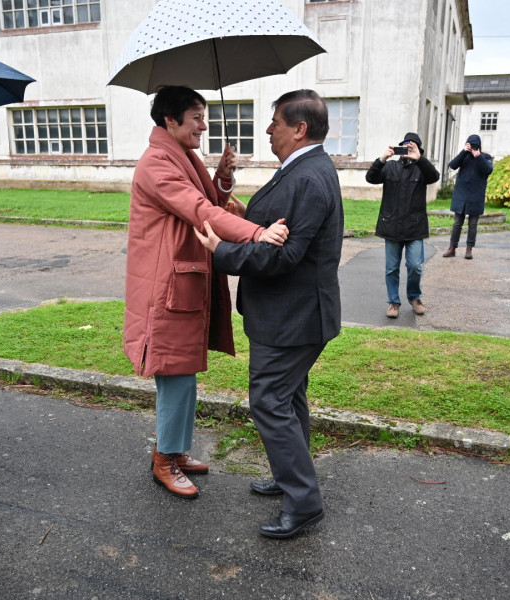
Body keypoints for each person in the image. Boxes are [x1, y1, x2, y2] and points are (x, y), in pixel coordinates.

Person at [123, 86, 288, 500]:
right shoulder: (157, 163)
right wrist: (257, 234)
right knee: (175, 375)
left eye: (204, 115)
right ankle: (164, 461)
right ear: (170, 120)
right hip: (166, 286)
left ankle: (175, 451)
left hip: (184, 279)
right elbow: (201, 211)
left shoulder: (182, 155)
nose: (204, 124)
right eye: (196, 116)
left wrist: (224, 175)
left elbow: (212, 198)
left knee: (184, 373)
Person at [194, 89, 343, 539]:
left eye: (275, 122)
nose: (267, 130)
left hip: (293, 316)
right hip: (289, 314)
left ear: (299, 129)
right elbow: (276, 222)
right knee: (289, 398)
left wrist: (224, 251)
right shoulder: (301, 169)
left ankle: (304, 501)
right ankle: (289, 475)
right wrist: (243, 214)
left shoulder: (309, 177)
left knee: (269, 401)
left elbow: (284, 257)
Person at [365, 133, 439, 319]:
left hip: (414, 227)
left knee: (415, 266)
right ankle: (393, 302)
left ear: (418, 149)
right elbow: (370, 178)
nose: (407, 149)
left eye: (411, 146)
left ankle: (414, 298)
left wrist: (419, 159)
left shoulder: (422, 169)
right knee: (391, 268)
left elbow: (434, 176)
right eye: (404, 146)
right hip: (392, 226)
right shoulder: (390, 166)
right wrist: (382, 159)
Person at [443, 134, 493, 259]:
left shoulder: (485, 157)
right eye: (471, 145)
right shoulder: (464, 156)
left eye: (475, 145)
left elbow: (488, 170)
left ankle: (469, 249)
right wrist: (464, 151)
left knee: (473, 223)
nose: (473, 147)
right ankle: (452, 248)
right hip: (461, 194)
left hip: (476, 195)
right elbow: (452, 165)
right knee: (457, 223)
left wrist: (479, 156)